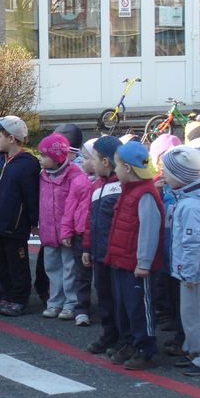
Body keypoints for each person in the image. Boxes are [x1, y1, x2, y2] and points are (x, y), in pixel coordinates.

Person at [161, 146, 200, 376]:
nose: (163, 176)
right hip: (195, 272)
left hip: (196, 274)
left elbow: (192, 243)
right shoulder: (190, 198)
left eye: (167, 172)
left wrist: (188, 272)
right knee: (193, 315)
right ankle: (196, 352)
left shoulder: (191, 206)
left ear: (180, 177)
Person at [105, 141, 164, 370]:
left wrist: (144, 263)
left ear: (128, 168)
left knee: (140, 307)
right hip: (122, 260)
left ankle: (146, 348)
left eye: (117, 165)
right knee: (125, 307)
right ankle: (130, 341)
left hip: (137, 265)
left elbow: (149, 231)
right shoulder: (129, 190)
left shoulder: (145, 194)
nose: (115, 170)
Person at [0, 116, 40, 316]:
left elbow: (32, 196)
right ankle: (6, 295)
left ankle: (20, 298)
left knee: (17, 263)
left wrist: (34, 221)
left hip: (14, 226)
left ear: (11, 138)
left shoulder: (27, 164)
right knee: (0, 263)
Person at [36, 133, 92, 325]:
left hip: (66, 232)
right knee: (51, 267)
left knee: (69, 268)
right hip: (49, 231)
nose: (40, 159)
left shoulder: (74, 176)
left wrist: (70, 230)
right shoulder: (43, 176)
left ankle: (71, 303)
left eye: (44, 156)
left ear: (58, 156)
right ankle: (55, 301)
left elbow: (75, 206)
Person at [82, 136, 123, 354]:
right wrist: (87, 247)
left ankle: (122, 337)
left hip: (115, 254)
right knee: (104, 295)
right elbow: (91, 220)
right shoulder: (96, 185)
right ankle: (109, 334)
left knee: (119, 299)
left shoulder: (121, 186)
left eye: (93, 159)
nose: (90, 163)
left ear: (106, 162)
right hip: (98, 252)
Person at [150, 134, 184, 354]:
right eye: (161, 159)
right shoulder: (156, 183)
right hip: (162, 239)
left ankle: (178, 318)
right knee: (161, 277)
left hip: (178, 241)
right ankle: (165, 313)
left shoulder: (182, 183)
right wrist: (158, 190)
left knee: (176, 283)